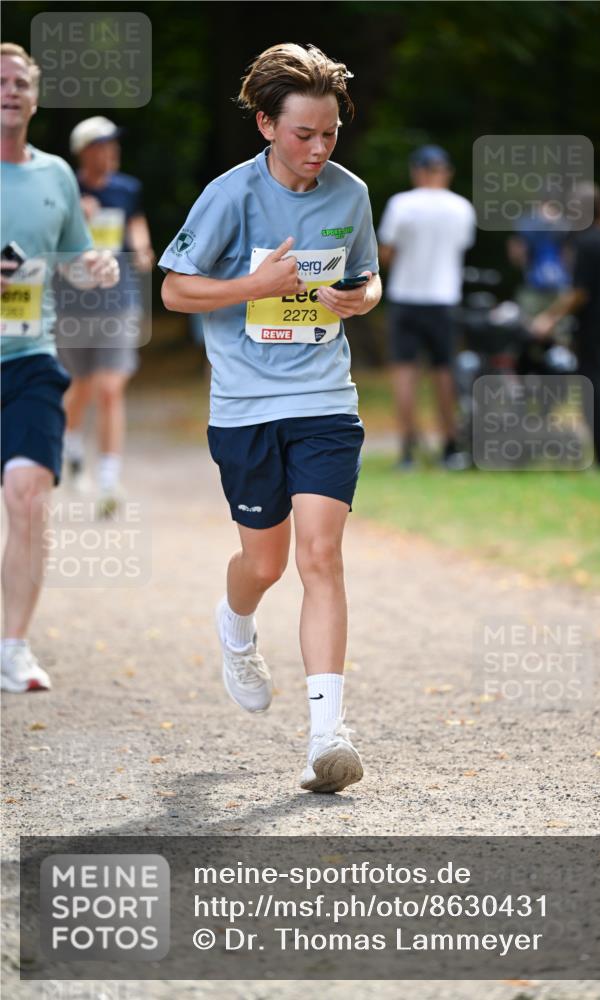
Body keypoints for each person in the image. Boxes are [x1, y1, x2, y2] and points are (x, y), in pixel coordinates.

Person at [159, 43, 381, 793]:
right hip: (246, 407)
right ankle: (235, 625)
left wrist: (362, 297)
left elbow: (366, 272)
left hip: (323, 401)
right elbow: (176, 293)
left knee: (320, 556)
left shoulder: (349, 194)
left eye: (329, 134)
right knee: (265, 563)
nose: (318, 149)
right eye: (302, 135)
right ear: (265, 125)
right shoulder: (229, 196)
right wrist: (254, 284)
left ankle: (327, 736)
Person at [1, 44, 119, 693]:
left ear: (35, 97)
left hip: (28, 359)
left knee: (27, 495)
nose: (10, 90)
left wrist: (93, 267)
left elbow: (74, 257)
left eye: (21, 82)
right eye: (1, 81)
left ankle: (13, 646)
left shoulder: (55, 178)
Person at [56, 116, 155, 516]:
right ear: (84, 152)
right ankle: (72, 446)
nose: (111, 152)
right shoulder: (65, 189)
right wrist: (77, 215)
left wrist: (143, 249)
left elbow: (136, 226)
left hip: (118, 300)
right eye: (102, 145)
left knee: (110, 388)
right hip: (71, 303)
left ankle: (109, 482)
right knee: (79, 385)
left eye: (114, 144)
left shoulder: (127, 189)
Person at [377, 145, 476, 470]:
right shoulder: (461, 207)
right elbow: (461, 248)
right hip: (444, 298)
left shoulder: (402, 204)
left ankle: (407, 450)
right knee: (444, 372)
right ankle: (449, 445)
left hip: (406, 296)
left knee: (404, 372)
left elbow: (386, 254)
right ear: (446, 171)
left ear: (417, 171)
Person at [532, 184, 600, 468]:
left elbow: (580, 292)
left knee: (595, 390)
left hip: (595, 325)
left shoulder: (588, 242)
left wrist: (549, 317)